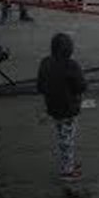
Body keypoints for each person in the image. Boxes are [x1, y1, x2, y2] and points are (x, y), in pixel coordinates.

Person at [37, 32, 87, 182]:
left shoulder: (45, 62)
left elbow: (39, 86)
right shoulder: (71, 65)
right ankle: (67, 170)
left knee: (62, 134)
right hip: (68, 107)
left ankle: (68, 164)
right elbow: (81, 86)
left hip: (52, 106)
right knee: (67, 139)